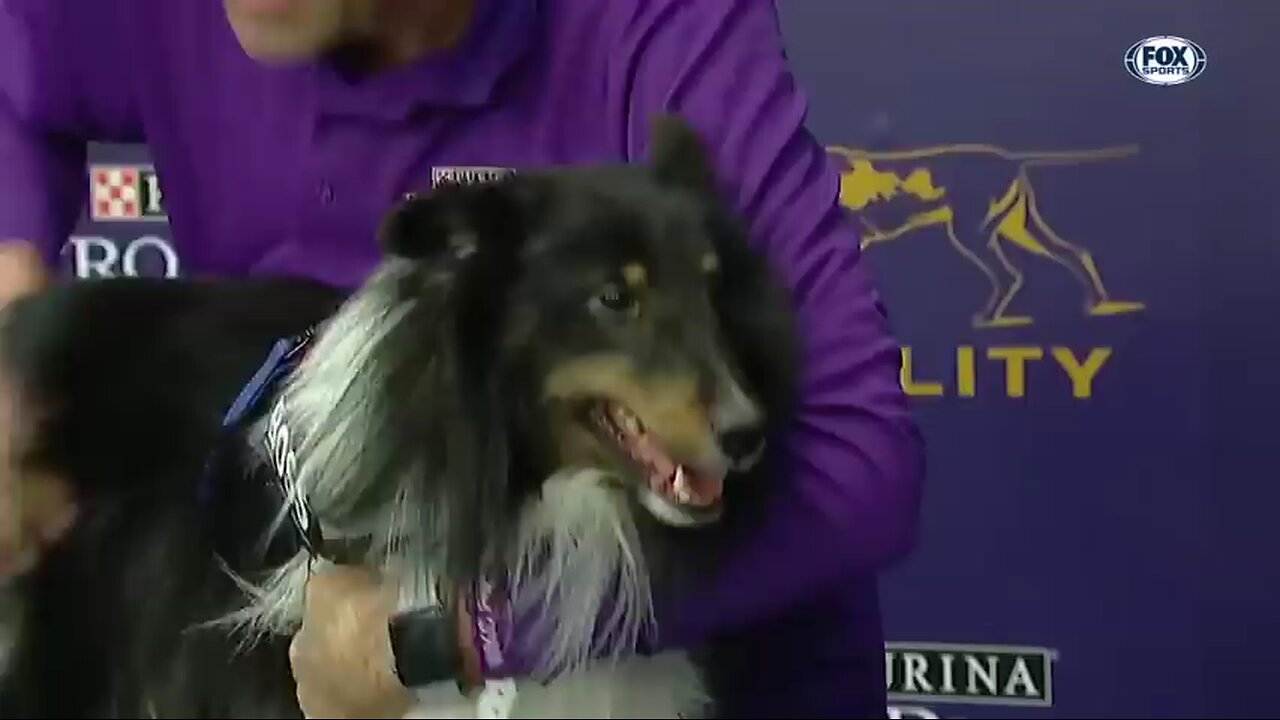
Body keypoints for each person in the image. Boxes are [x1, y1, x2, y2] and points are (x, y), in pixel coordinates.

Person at [0, 0, 925, 716]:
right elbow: (17, 72)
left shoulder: (655, 26)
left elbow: (862, 464)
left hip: (682, 664)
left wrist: (450, 636)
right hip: (317, 639)